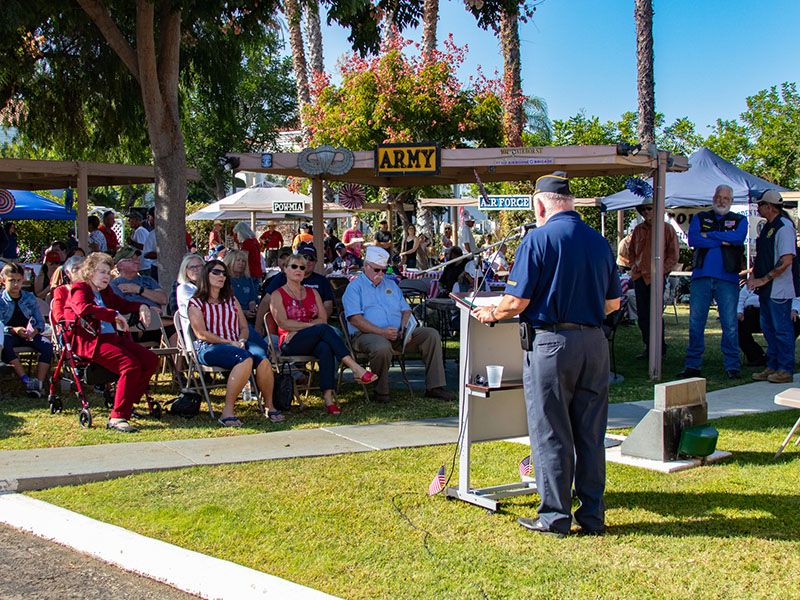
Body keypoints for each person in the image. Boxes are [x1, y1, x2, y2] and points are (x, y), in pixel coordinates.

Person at [473, 172, 621, 537]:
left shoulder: (537, 239)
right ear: (570, 203)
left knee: (551, 431)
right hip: (595, 344)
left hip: (552, 344)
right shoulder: (600, 242)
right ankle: (592, 517)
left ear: (539, 205)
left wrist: (491, 313)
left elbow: (516, 301)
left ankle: (554, 517)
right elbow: (613, 302)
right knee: (591, 433)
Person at [343, 246, 452, 403]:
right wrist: (381, 332)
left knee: (431, 335)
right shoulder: (354, 288)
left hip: (396, 334)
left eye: (384, 270)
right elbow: (355, 319)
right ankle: (381, 392)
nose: (381, 274)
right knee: (381, 346)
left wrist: (405, 329)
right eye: (376, 270)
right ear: (366, 266)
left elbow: (406, 311)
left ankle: (435, 387)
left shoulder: (391, 285)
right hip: (366, 335)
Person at [271, 254, 376, 414]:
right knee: (323, 331)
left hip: (310, 338)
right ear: (285, 269)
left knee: (325, 347)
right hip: (290, 341)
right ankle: (355, 367)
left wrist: (302, 327)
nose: (298, 270)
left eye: (302, 267)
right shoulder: (277, 294)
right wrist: (309, 326)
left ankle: (328, 399)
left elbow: (323, 319)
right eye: (294, 266)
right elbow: (283, 323)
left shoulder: (313, 293)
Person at [66, 252, 159, 432]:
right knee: (130, 365)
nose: (106, 276)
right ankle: (118, 417)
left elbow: (122, 304)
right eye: (102, 272)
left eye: (108, 273)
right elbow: (83, 309)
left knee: (149, 359)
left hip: (111, 339)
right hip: (92, 342)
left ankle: (128, 402)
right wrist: (113, 315)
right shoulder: (80, 288)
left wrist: (142, 306)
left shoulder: (105, 291)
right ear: (89, 272)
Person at [187, 260, 283, 426]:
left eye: (224, 273)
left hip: (236, 343)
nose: (221, 276)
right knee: (245, 358)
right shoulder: (196, 302)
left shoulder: (231, 300)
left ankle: (269, 406)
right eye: (216, 272)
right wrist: (228, 342)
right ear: (206, 275)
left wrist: (241, 339)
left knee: (263, 359)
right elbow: (201, 333)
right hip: (209, 347)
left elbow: (244, 327)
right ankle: (227, 412)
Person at [678, 184, 747, 379]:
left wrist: (710, 235)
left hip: (728, 278)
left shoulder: (740, 220)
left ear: (731, 201)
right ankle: (693, 365)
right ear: (713, 197)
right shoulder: (701, 217)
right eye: (719, 197)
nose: (721, 201)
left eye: (726, 198)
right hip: (701, 277)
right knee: (695, 322)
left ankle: (732, 366)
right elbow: (694, 240)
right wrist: (722, 240)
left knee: (730, 324)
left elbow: (738, 237)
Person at [748, 190, 797, 383]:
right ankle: (773, 365)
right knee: (768, 328)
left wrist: (763, 279)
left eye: (760, 205)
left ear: (769, 207)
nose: (758, 208)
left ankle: (785, 368)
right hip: (767, 289)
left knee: (782, 328)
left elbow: (786, 261)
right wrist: (754, 274)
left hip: (779, 288)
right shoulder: (769, 227)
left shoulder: (784, 227)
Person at [622, 199, 680, 359]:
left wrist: (660, 272)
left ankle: (659, 348)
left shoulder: (667, 229)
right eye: (643, 210)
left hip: (657, 277)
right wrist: (634, 267)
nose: (646, 212)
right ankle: (649, 346)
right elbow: (631, 252)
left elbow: (673, 255)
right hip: (640, 277)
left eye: (649, 209)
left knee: (655, 314)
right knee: (642, 315)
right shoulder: (638, 230)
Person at [0, 263, 54, 397]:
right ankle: (26, 380)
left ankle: (38, 384)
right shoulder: (1, 300)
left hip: (29, 334)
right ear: (3, 281)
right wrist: (14, 329)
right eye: (11, 280)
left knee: (47, 345)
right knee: (5, 344)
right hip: (9, 335)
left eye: (18, 280)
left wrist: (35, 330)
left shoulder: (29, 297)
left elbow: (40, 321)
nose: (16, 284)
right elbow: (0, 324)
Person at [259, 243, 335, 322]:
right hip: (290, 325)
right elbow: (266, 301)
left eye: (311, 258)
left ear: (315, 262)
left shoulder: (322, 281)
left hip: (315, 323)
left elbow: (328, 306)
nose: (308, 261)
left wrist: (317, 322)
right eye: (305, 257)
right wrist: (258, 325)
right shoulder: (282, 277)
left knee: (333, 332)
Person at [223, 250, 259, 322]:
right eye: (238, 260)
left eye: (243, 261)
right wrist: (243, 312)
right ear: (230, 262)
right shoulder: (224, 280)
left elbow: (252, 299)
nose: (241, 263)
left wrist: (252, 309)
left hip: (249, 318)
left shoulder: (247, 279)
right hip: (232, 318)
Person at [50, 255, 85, 325]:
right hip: (71, 328)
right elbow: (58, 315)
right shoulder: (61, 290)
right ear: (68, 273)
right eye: (76, 269)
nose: (80, 272)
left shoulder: (91, 289)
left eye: (83, 269)